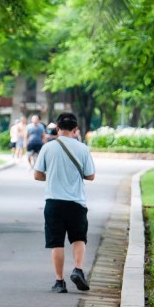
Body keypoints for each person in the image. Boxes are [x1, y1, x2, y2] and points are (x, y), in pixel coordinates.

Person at [34, 112, 96, 294]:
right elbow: (90, 175)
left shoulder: (48, 148)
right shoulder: (82, 149)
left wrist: (53, 175)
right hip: (76, 202)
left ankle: (59, 282)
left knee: (57, 243)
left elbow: (37, 175)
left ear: (58, 128)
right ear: (76, 130)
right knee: (78, 238)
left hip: (54, 202)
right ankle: (77, 269)